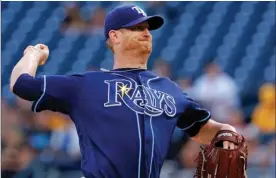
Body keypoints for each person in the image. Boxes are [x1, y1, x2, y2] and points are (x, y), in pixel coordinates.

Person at [10, 4, 238, 178]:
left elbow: (201, 129)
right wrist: (31, 54)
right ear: (114, 36)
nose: (146, 33)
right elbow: (21, 84)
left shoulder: (169, 89)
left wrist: (228, 133)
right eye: (137, 28)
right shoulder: (86, 84)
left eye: (147, 28)